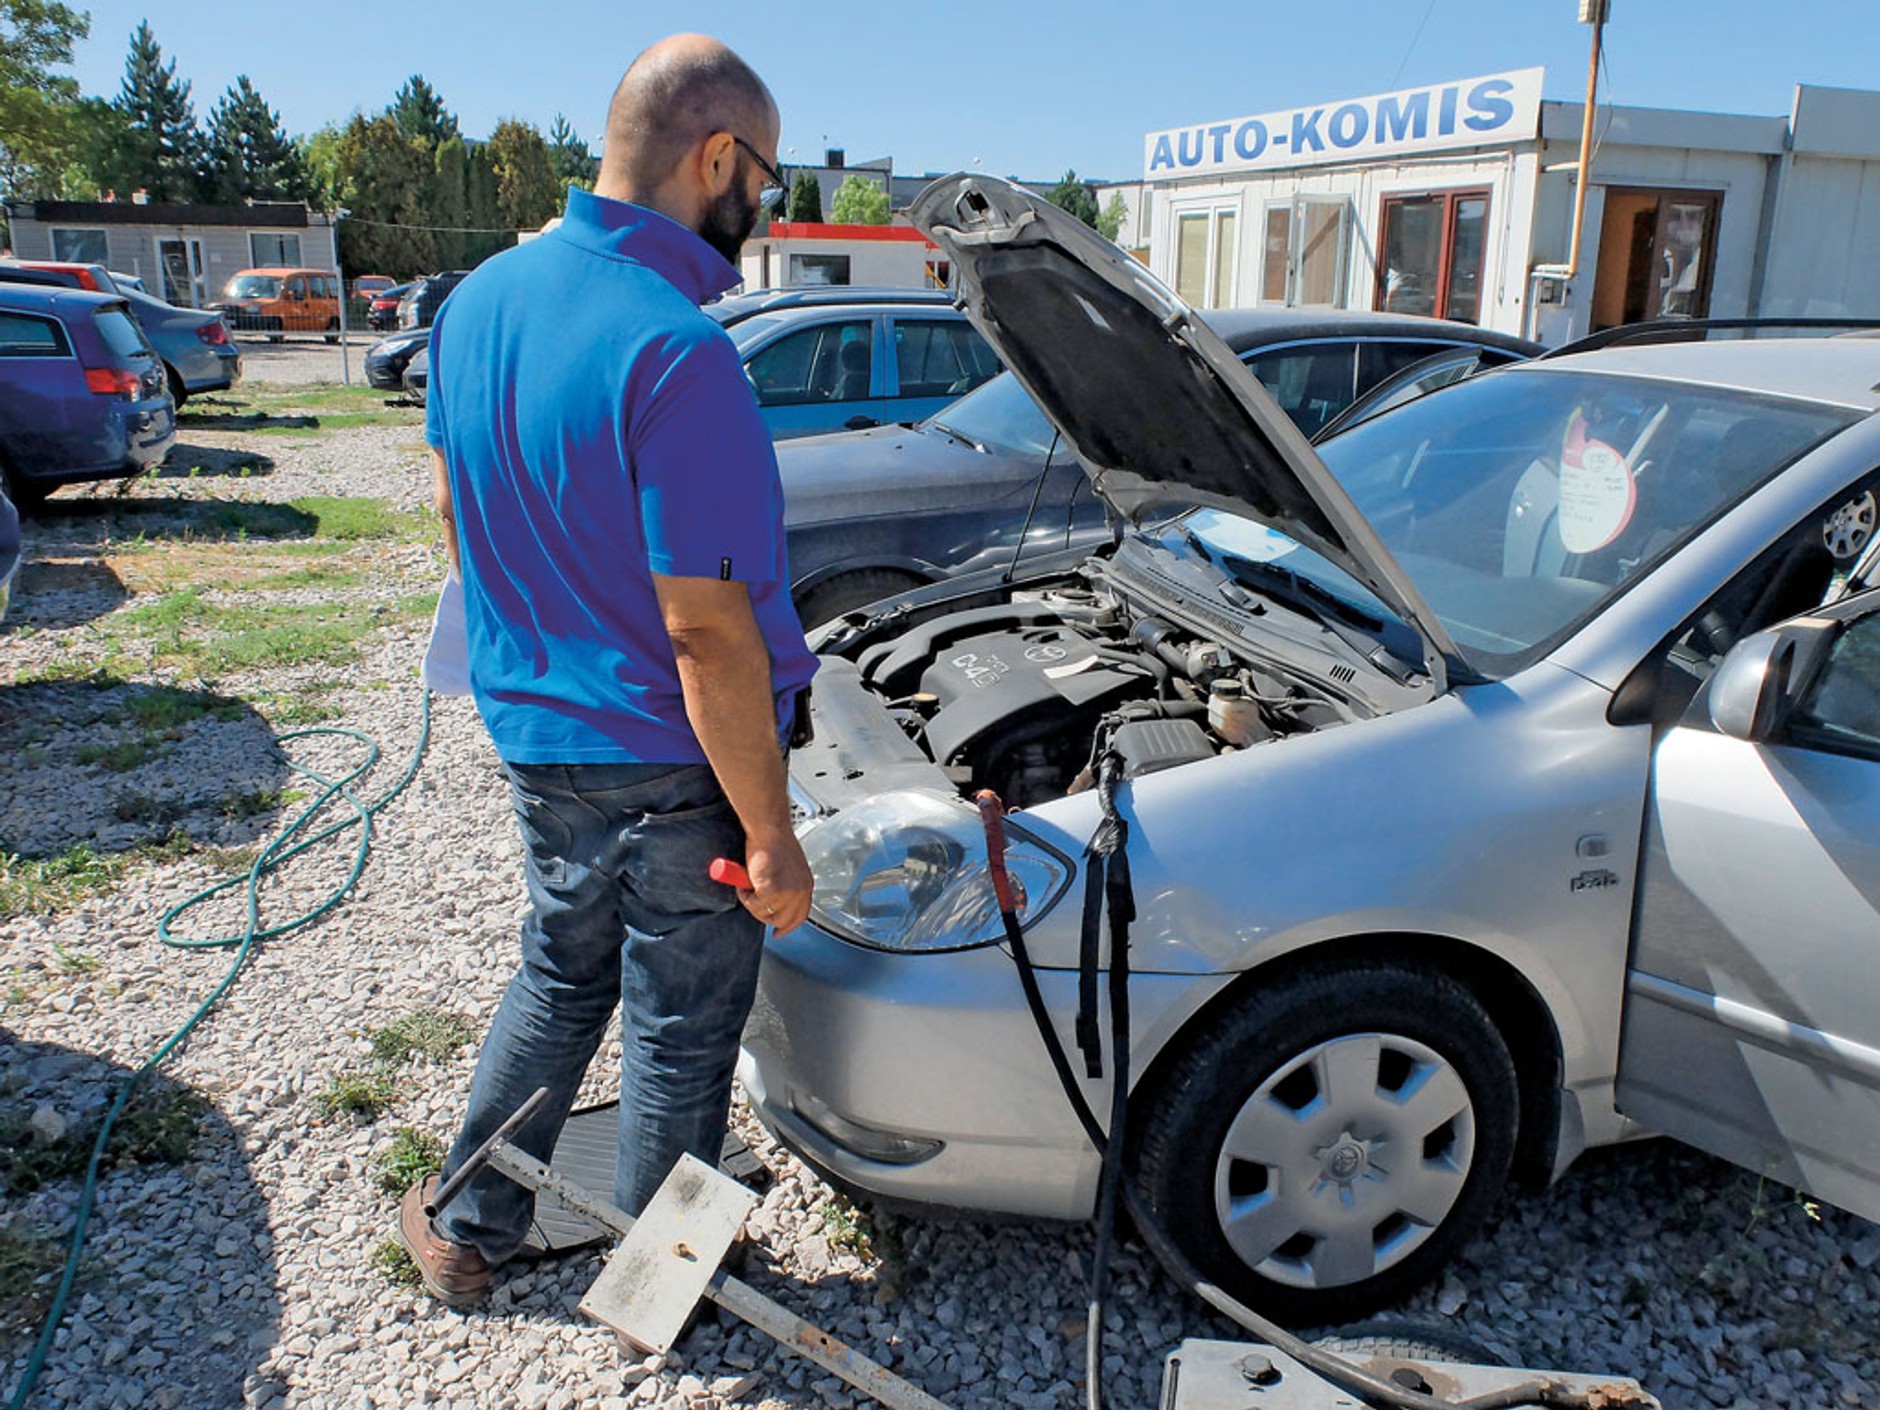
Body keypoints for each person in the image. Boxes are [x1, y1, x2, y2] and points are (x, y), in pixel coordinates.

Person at [396, 34, 816, 1307]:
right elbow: (706, 629)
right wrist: (770, 833)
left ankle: (469, 1226)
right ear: (717, 157)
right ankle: (659, 1286)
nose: (765, 207)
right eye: (769, 180)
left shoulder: (477, 302)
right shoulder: (679, 352)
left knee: (559, 974)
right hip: (671, 764)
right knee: (681, 1026)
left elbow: (455, 508)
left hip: (538, 735)